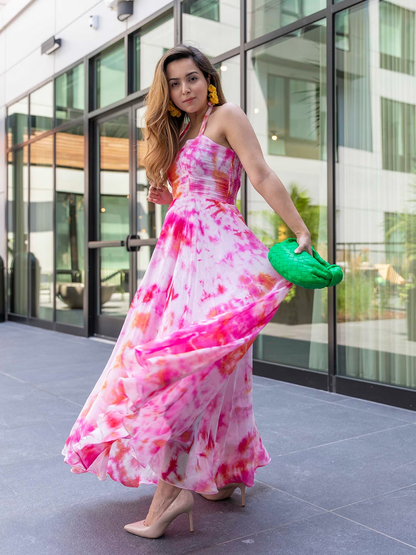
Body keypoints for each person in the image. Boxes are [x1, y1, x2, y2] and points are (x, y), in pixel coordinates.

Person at [62, 43, 312, 540]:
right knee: (190, 360)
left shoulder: (227, 116)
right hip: (180, 256)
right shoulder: (179, 130)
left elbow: (257, 173)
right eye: (174, 83)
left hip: (217, 251)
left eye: (192, 78)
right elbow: (189, 197)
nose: (184, 90)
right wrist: (167, 196)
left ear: (208, 78)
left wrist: (299, 229)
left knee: (194, 361)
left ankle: (173, 489)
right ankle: (222, 472)